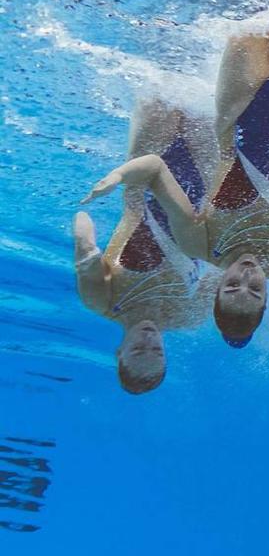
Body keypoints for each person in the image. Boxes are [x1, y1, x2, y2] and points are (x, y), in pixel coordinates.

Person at [84, 30, 269, 348]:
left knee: (250, 19)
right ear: (266, 298)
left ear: (216, 288)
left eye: (231, 286)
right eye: (255, 290)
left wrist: (117, 178)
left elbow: (155, 171)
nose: (245, 276)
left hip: (236, 115)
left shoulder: (199, 245)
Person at [73, 98, 216, 393]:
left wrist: (84, 245)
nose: (149, 342)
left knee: (160, 84)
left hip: (145, 180)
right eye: (158, 352)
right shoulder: (190, 314)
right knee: (202, 92)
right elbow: (236, 268)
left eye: (138, 351)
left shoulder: (102, 301)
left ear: (119, 353)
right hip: (202, 179)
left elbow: (83, 228)